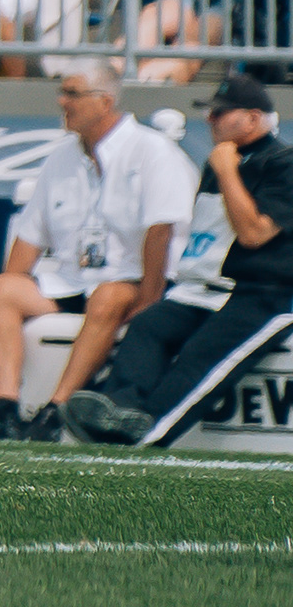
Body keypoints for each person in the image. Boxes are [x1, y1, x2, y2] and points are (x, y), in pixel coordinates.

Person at [0, 58, 199, 440]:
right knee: (1, 289)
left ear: (105, 101)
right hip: (73, 280)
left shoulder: (152, 151)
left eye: (71, 93)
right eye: (62, 92)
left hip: (133, 280)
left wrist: (150, 301)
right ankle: (6, 408)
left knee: (106, 297)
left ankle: (57, 409)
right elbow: (30, 236)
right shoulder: (62, 158)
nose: (61, 101)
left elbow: (162, 231)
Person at [63, 73, 293, 445]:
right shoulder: (220, 162)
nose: (210, 120)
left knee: (201, 358)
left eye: (220, 114)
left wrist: (228, 171)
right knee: (148, 326)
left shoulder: (282, 163)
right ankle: (119, 408)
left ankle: (149, 432)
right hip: (201, 290)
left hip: (260, 293)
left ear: (252, 118)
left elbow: (254, 234)